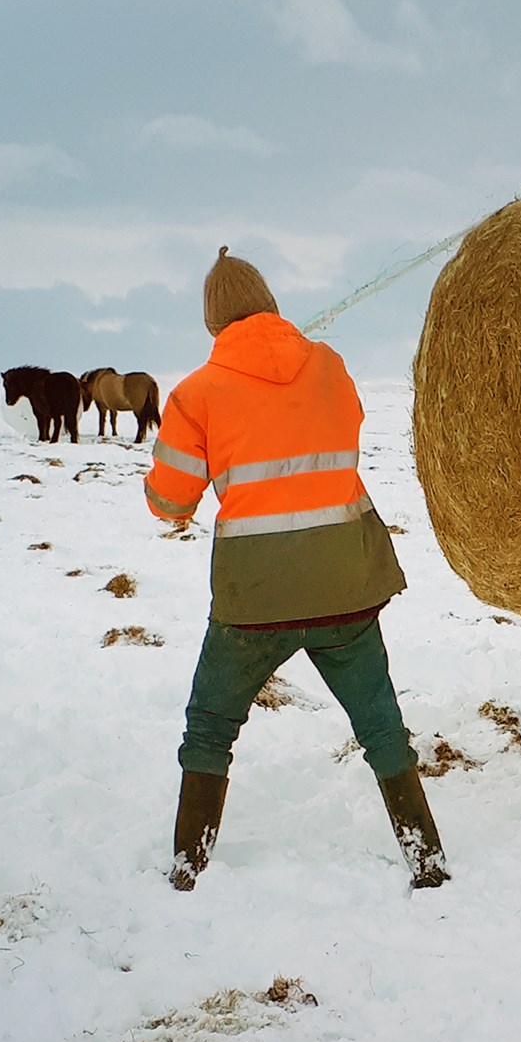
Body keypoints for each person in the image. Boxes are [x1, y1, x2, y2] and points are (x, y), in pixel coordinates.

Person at [143, 246, 448, 890]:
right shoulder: (330, 365)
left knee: (210, 727)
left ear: (212, 323)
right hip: (345, 583)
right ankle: (428, 860)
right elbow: (348, 427)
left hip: (254, 601)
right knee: (381, 725)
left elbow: (170, 503)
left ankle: (186, 868)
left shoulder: (196, 393)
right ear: (271, 304)